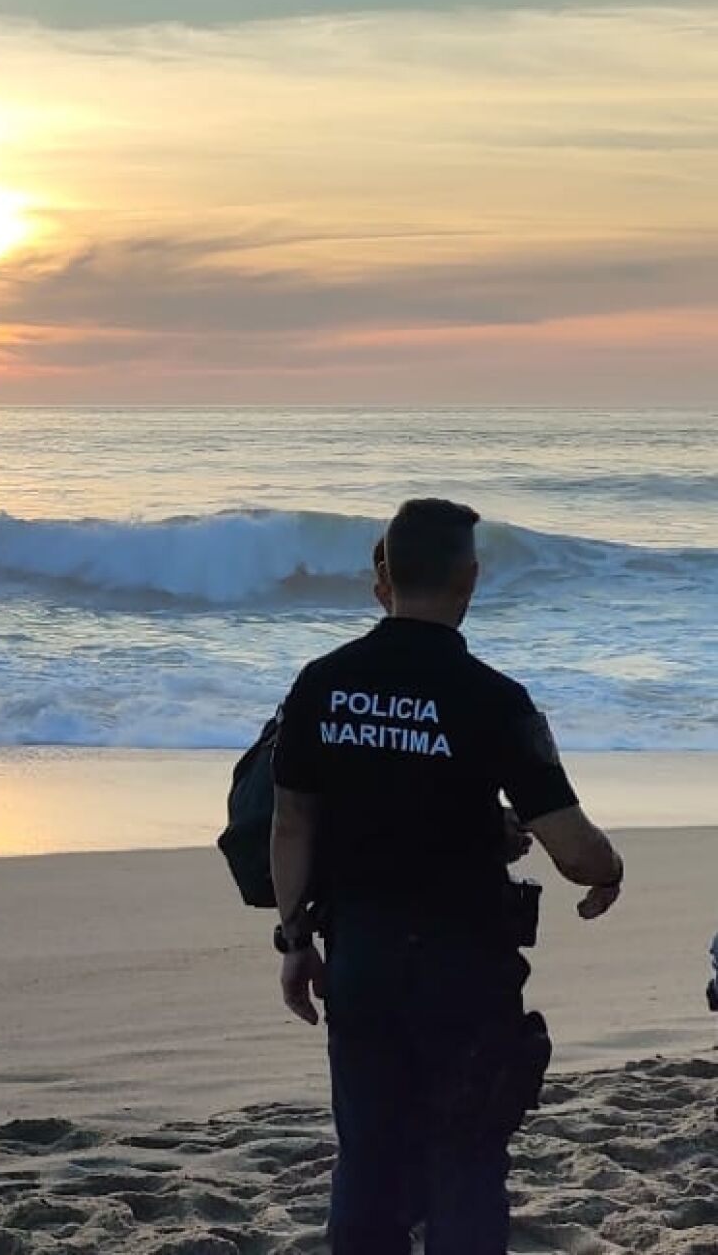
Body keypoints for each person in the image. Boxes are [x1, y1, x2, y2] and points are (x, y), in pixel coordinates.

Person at [269, 499, 624, 1255]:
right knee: (464, 1159)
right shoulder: (494, 700)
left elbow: (293, 823)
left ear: (386, 574)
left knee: (367, 1156)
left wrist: (295, 942)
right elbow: (572, 846)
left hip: (360, 954)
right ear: (469, 577)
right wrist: (608, 870)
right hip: (464, 966)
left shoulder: (321, 685)